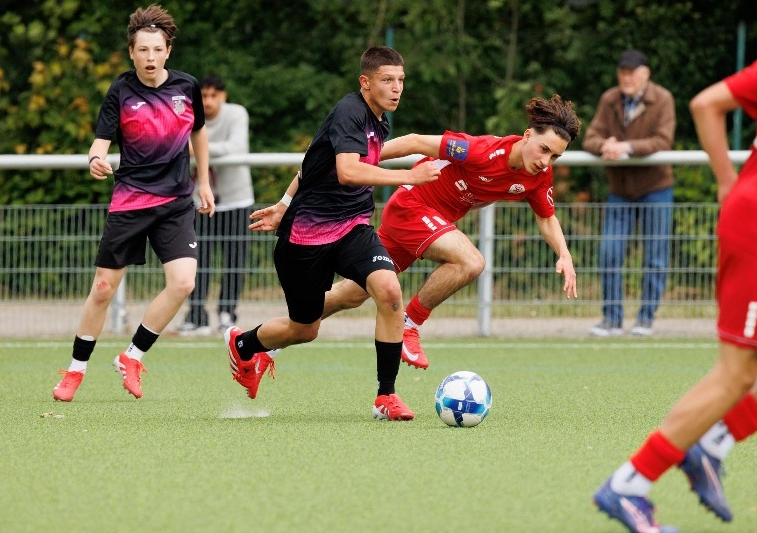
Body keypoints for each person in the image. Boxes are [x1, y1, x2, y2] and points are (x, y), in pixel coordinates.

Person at [593, 44, 757, 532]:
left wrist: (728, 183)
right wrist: (729, 186)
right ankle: (629, 484)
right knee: (736, 374)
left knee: (738, 373)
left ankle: (712, 445)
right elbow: (703, 104)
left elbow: (706, 103)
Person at [224, 46, 441, 420]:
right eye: (387, 80)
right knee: (304, 329)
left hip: (353, 227)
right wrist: (409, 175)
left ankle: (386, 396)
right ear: (365, 82)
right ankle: (243, 344)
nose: (396, 88)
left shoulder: (379, 122)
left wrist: (282, 202)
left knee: (389, 290)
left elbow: (312, 162)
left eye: (401, 80)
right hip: (305, 239)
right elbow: (347, 171)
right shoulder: (349, 112)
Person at [320, 94, 580, 369]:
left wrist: (564, 254)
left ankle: (288, 327)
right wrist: (361, 158)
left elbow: (546, 218)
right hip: (411, 207)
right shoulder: (480, 150)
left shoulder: (538, 176)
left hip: (425, 223)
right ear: (527, 136)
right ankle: (408, 325)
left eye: (555, 156)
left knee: (351, 294)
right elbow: (415, 142)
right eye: (544, 149)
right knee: (471, 262)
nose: (546, 161)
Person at [52, 4, 214, 402]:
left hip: (176, 202)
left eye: (157, 49)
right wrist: (95, 159)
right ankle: (75, 370)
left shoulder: (187, 87)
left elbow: (198, 133)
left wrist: (205, 182)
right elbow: (100, 142)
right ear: (131, 52)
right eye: (143, 50)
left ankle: (132, 356)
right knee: (103, 288)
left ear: (168, 51)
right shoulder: (121, 90)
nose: (150, 57)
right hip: (131, 201)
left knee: (184, 282)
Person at [583, 49, 676, 337]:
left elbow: (663, 140)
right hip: (620, 190)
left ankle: (645, 319)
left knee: (655, 257)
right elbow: (590, 137)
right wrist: (605, 146)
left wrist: (628, 147)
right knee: (609, 252)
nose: (626, 78)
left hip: (656, 188)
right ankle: (611, 319)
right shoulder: (609, 99)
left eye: (632, 73)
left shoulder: (663, 99)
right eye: (622, 72)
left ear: (645, 74)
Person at [178, 74, 254, 336]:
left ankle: (227, 313)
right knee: (196, 260)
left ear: (223, 96)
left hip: (235, 199)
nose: (208, 101)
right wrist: (194, 150)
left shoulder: (236, 114)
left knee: (234, 260)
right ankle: (196, 315)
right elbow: (175, 149)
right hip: (198, 200)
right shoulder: (186, 116)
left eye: (213, 95)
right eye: (203, 96)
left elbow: (236, 147)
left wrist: (197, 148)